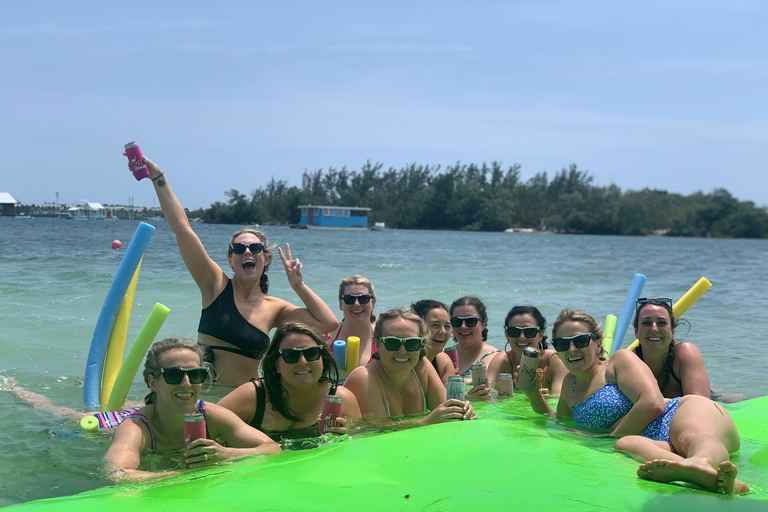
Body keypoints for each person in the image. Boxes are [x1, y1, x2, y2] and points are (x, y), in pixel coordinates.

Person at [129, 156, 339, 386]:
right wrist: (158, 178)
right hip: (204, 399)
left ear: (265, 258)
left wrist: (299, 286)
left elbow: (328, 324)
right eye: (239, 248)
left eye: (255, 248)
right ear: (230, 260)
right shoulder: (215, 286)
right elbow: (183, 230)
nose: (247, 252)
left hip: (249, 402)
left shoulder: (276, 308)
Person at [521, 309, 748, 495]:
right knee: (626, 443)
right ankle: (708, 478)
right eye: (562, 343)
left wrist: (606, 436)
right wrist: (533, 394)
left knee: (690, 438)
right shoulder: (570, 384)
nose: (572, 349)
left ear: (597, 344)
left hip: (682, 414)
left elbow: (653, 403)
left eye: (580, 340)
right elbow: (558, 421)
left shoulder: (617, 363)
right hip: (659, 442)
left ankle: (701, 461)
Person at [104, 338, 281, 481]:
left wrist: (228, 454)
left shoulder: (212, 416)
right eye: (174, 375)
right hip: (112, 426)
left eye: (196, 374)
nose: (187, 383)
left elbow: (273, 448)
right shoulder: (137, 428)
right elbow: (117, 473)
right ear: (153, 382)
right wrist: (184, 475)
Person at [218, 321, 361, 443]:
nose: (303, 361)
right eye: (291, 355)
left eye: (311, 353)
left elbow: (363, 443)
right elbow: (207, 430)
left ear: (322, 359)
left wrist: (347, 438)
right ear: (276, 365)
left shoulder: (341, 399)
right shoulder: (253, 397)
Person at [343, 308, 476, 426]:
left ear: (421, 346)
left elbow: (447, 412)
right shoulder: (364, 378)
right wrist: (424, 423)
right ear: (377, 345)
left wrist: (464, 413)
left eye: (412, 343)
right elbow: (375, 430)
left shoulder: (422, 368)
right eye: (392, 342)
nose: (402, 351)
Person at [631, 298, 710, 398]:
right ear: (636, 332)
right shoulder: (629, 361)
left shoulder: (685, 353)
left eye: (662, 323)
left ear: (672, 332)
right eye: (646, 323)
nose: (654, 329)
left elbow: (699, 404)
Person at [487, 306, 568, 397]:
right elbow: (488, 391)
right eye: (514, 331)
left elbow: (559, 399)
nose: (522, 337)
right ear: (507, 335)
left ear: (540, 335)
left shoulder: (555, 361)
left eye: (529, 331)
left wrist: (538, 398)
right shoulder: (503, 361)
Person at [325, 275, 377, 369]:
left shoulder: (381, 337)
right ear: (341, 304)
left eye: (363, 298)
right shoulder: (328, 337)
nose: (356, 303)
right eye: (349, 299)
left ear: (372, 303)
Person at [449, 296, 499, 377]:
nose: (463, 326)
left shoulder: (495, 358)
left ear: (483, 324)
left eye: (471, 321)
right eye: (457, 321)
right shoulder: (443, 355)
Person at [411, 300, 457, 385]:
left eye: (447, 326)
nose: (443, 331)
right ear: (417, 327)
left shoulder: (443, 362)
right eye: (435, 325)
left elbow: (450, 397)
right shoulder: (406, 361)